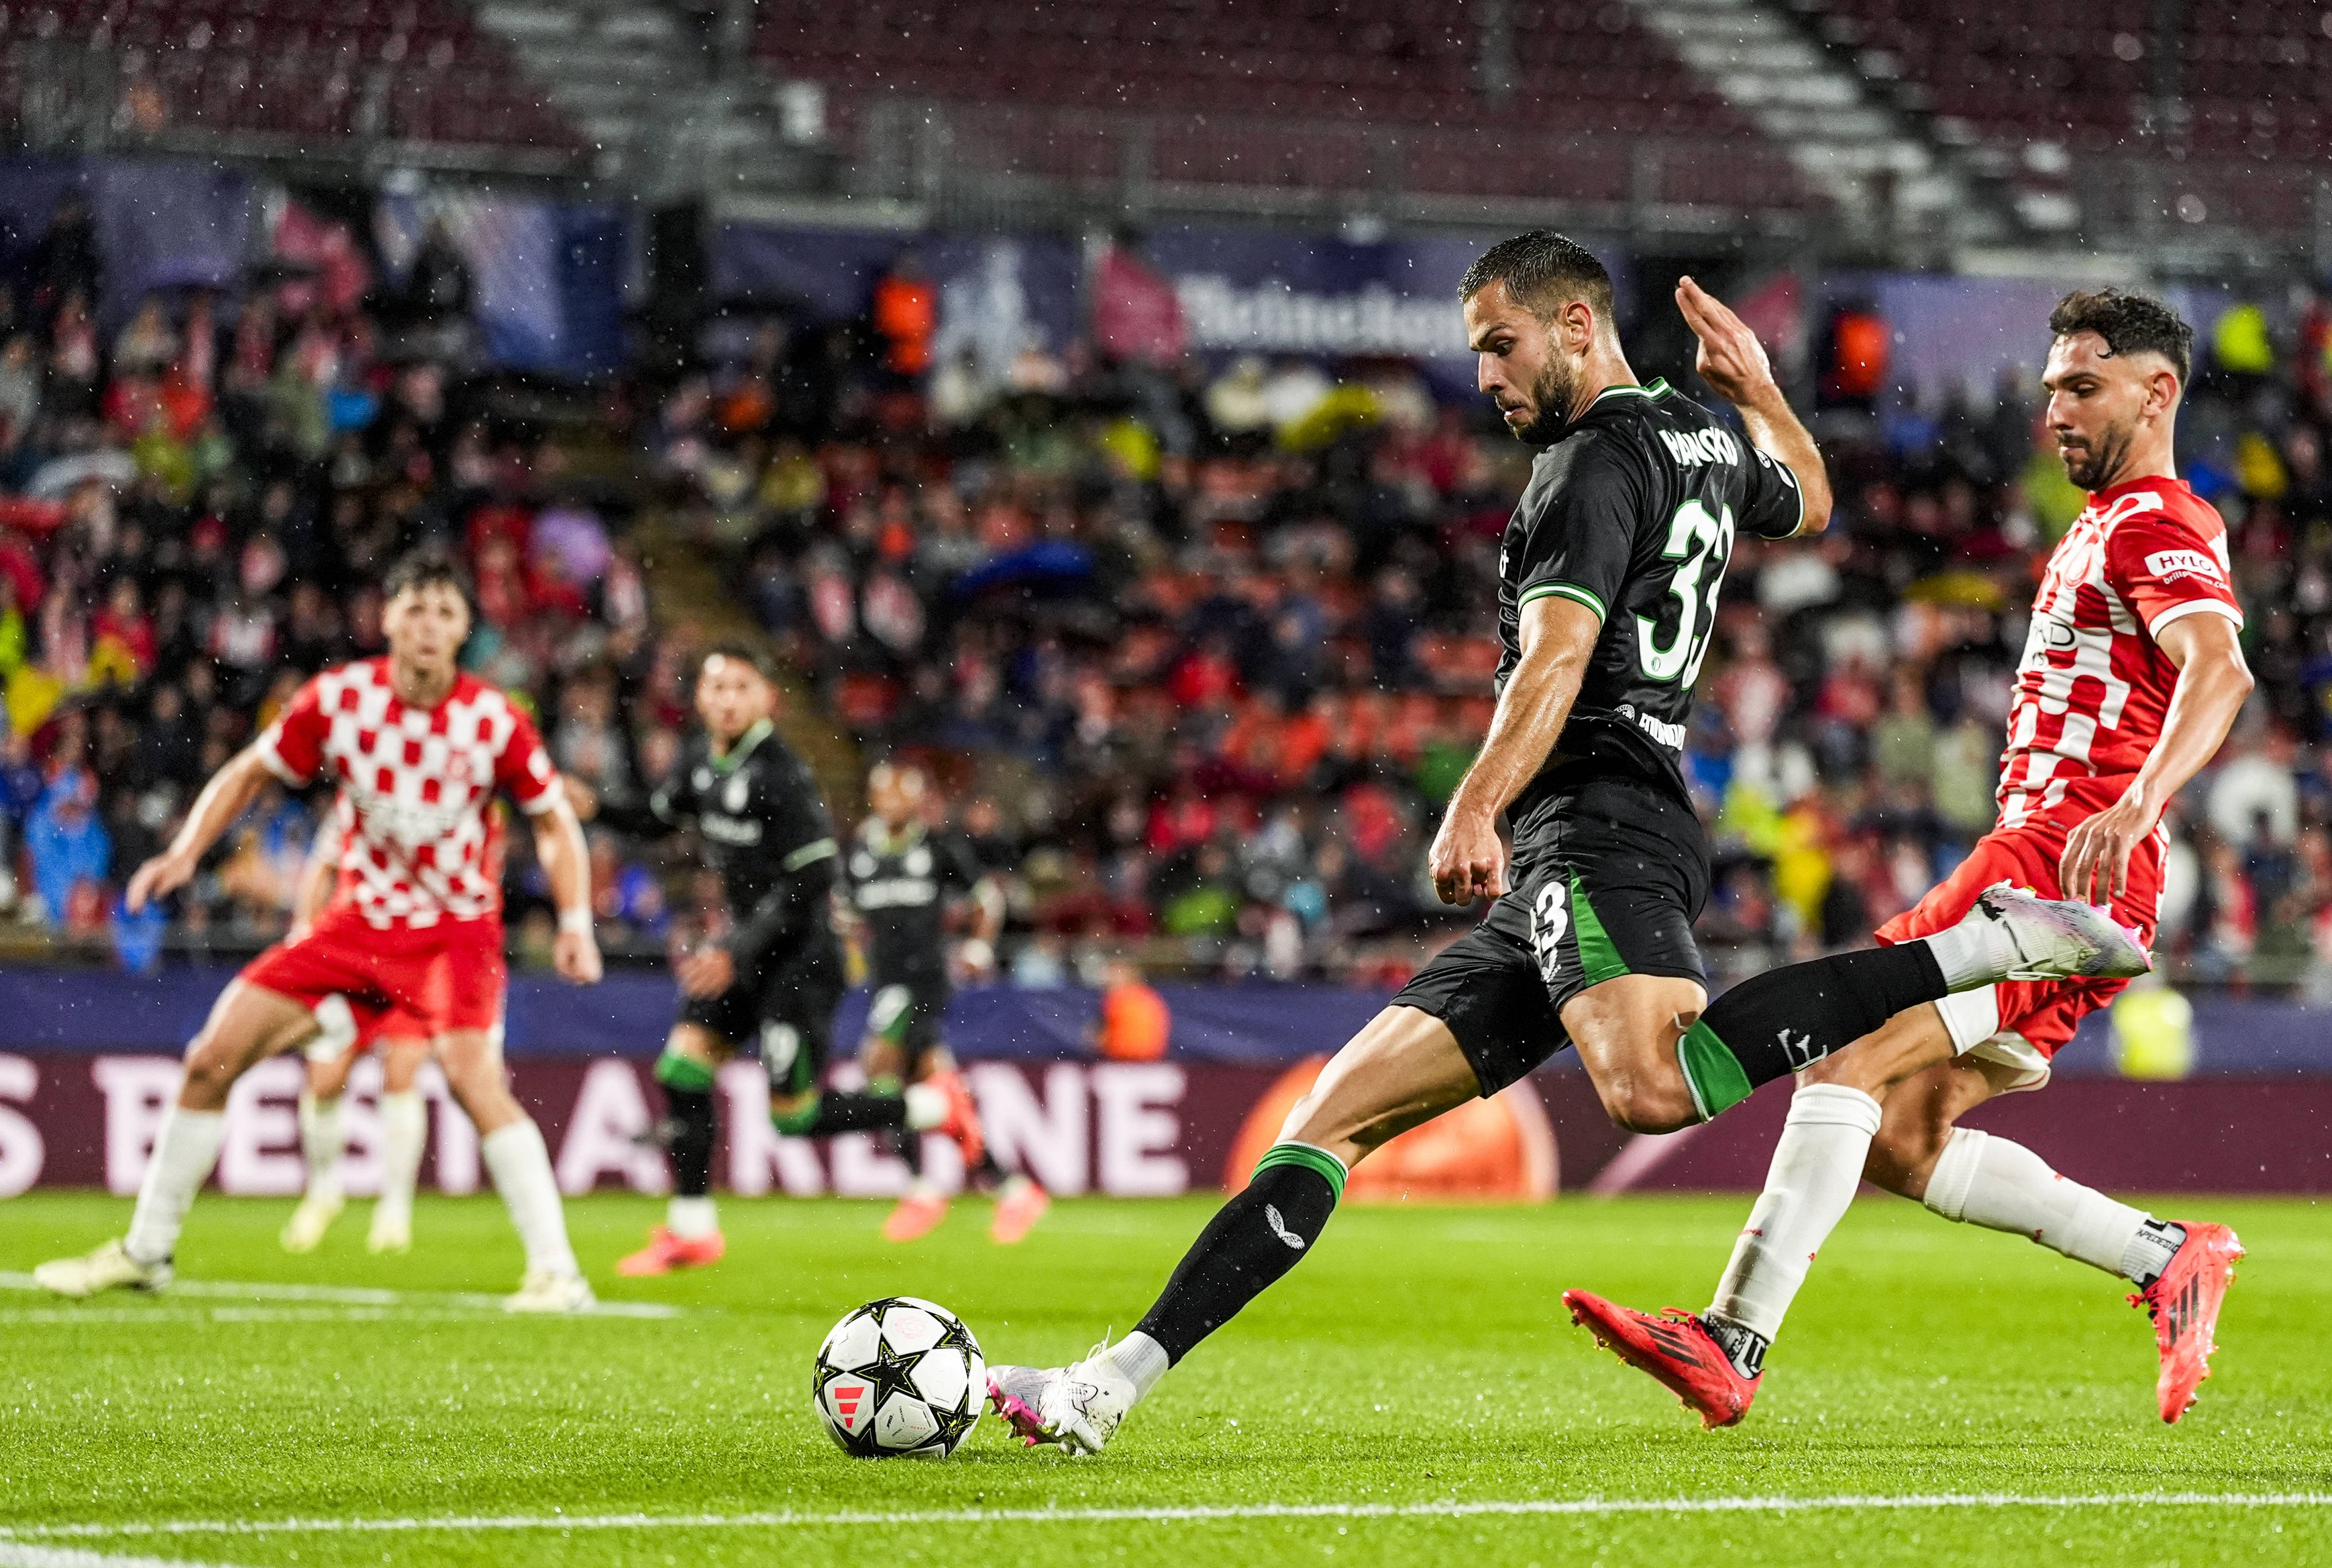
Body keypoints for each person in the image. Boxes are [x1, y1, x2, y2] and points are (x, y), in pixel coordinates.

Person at [984, 233, 2148, 1455]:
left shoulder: (1585, 464)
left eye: (1502, 342)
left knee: (1653, 1086)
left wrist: (1475, 801)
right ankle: (1104, 1385)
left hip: (1597, 817)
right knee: (1327, 1122)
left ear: (1580, 326)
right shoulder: (1696, 434)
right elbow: (1807, 498)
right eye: (1477, 349)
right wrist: (1756, 393)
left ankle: (1978, 946)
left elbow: (1556, 656)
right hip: (1576, 839)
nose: (1485, 374)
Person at [1569, 289, 2254, 1429]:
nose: (2056, 411)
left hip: (2058, 864)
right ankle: (2164, 1252)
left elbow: (2217, 671)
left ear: (2158, 390)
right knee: (1899, 1132)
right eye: (2048, 390)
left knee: (1841, 1057)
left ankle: (1732, 1336)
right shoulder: (2111, 523)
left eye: (2082, 386)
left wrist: (2133, 807)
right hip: (2052, 859)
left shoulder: (2156, 522)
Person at [35, 548, 605, 1312]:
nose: (429, 625)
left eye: (445, 611)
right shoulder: (339, 700)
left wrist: (573, 923)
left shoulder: (493, 719)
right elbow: (248, 772)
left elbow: (555, 823)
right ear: (388, 619)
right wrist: (184, 851)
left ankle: (557, 1274)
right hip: (356, 927)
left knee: (474, 1082)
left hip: (452, 933)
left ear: (466, 626)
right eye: (415, 608)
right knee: (211, 1059)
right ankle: (146, 1253)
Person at [588, 645, 984, 1278]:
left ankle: (937, 1107)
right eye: (715, 685)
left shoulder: (781, 772)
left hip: (801, 959)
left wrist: (733, 948)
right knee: (682, 1068)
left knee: (793, 1116)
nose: (725, 698)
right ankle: (692, 1230)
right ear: (700, 698)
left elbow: (814, 878)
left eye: (740, 686)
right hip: (745, 951)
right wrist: (593, 806)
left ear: (766, 698)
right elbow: (657, 819)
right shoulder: (700, 759)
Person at [844, 761, 1048, 1245]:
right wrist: (851, 955)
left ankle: (921, 1188)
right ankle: (1010, 1187)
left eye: (903, 792)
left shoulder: (937, 848)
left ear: (916, 800)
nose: (894, 801)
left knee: (877, 1069)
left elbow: (987, 899)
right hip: (885, 979)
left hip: (923, 979)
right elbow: (847, 914)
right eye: (886, 792)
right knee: (936, 1088)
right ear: (874, 798)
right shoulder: (859, 853)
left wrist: (978, 945)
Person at [278, 817, 433, 1257]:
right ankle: (324, 1189)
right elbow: (322, 866)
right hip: (350, 953)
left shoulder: (437, 799)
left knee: (401, 1073)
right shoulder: (359, 798)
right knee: (324, 1080)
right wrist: (303, 934)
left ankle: (395, 1208)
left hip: (413, 953)